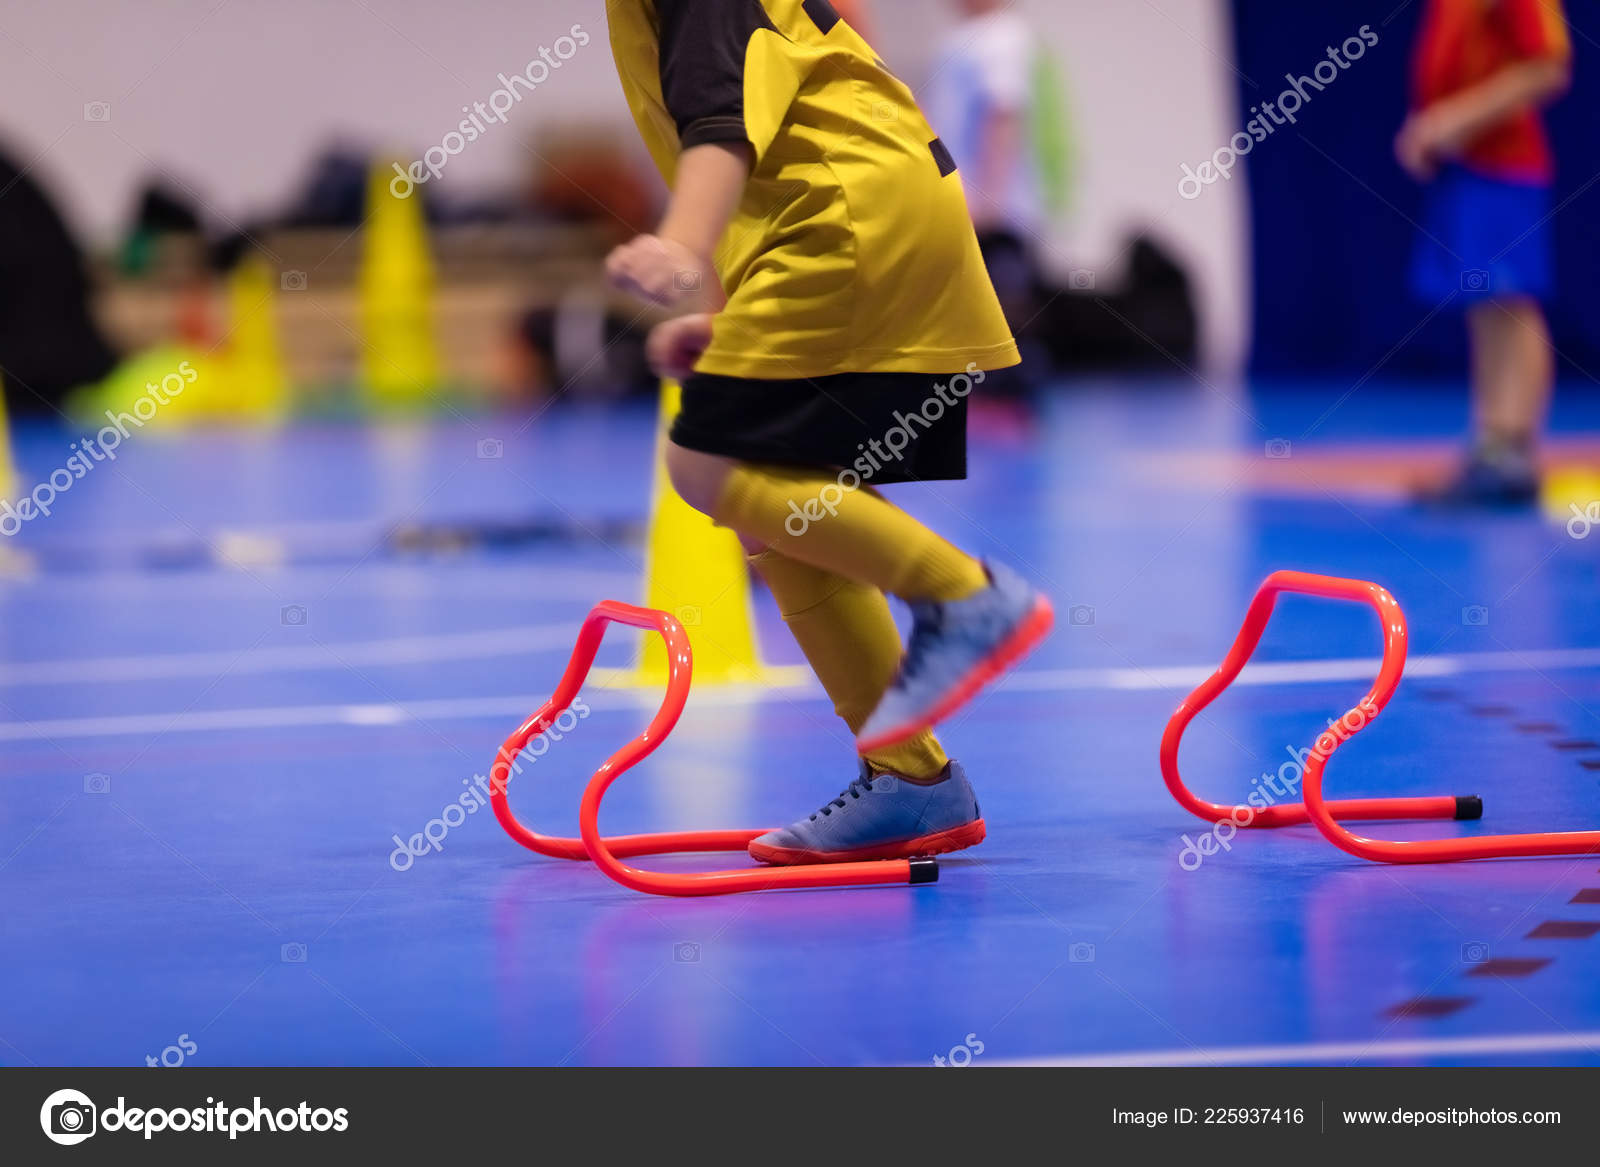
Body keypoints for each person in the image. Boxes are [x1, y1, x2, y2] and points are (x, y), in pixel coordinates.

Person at [603, 0, 1054, 865]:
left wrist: (679, 246)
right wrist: (726, 312)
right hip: (857, 204)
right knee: (777, 494)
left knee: (705, 463)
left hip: (847, 214)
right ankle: (910, 781)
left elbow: (723, 126)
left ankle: (965, 593)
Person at [1399, 0, 1571, 505]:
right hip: (1466, 167)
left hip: (1505, 167)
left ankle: (1514, 450)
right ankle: (1491, 445)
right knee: (1485, 306)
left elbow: (1547, 67)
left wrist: (1456, 118)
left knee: (1511, 299)